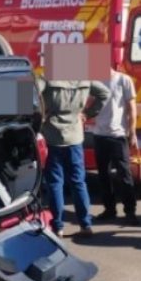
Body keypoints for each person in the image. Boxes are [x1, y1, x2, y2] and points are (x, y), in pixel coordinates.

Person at [37, 76, 110, 238]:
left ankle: (58, 227)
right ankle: (85, 224)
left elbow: (27, 94)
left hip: (52, 136)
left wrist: (40, 116)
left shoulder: (47, 77)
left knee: (55, 183)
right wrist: (87, 113)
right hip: (75, 137)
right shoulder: (85, 77)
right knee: (78, 182)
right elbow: (105, 93)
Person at [92, 66, 140, 226]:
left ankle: (130, 211)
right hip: (99, 134)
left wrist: (132, 132)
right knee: (103, 176)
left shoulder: (123, 80)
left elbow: (132, 108)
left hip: (118, 135)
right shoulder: (94, 80)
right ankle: (109, 209)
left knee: (124, 174)